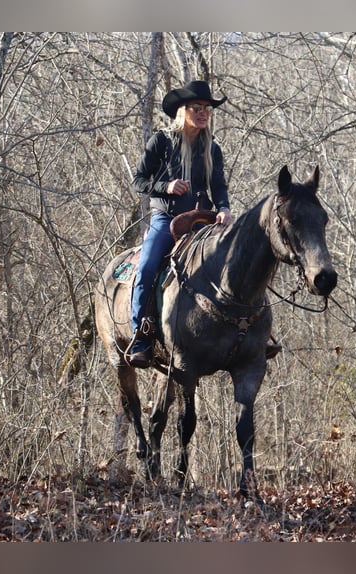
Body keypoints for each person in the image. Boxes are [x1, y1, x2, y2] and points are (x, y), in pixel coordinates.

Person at [127, 80, 233, 368]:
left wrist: (223, 208)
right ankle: (141, 336)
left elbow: (219, 186)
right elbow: (139, 180)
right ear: (183, 111)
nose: (203, 113)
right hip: (166, 218)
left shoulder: (212, 149)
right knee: (148, 266)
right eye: (197, 108)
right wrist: (166, 185)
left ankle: (243, 333)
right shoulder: (161, 142)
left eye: (207, 109)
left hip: (201, 221)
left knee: (233, 263)